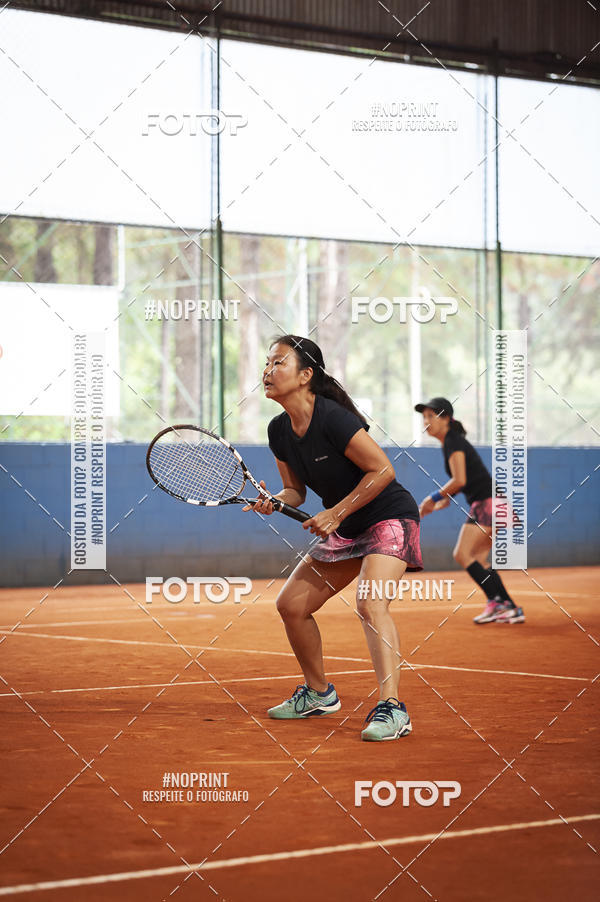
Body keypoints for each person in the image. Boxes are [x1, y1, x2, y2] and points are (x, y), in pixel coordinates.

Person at [244, 334, 422, 741]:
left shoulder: (333, 418)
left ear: (306, 375)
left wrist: (337, 512)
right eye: (267, 363)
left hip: (388, 517)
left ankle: (393, 708)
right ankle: (320, 693)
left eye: (278, 363)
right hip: (347, 527)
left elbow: (382, 471)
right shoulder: (279, 430)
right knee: (291, 605)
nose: (267, 371)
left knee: (371, 603)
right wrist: (274, 500)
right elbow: (296, 493)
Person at [415, 397, 524, 624]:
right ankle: (507, 606)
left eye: (430, 416)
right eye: (423, 417)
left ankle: (499, 604)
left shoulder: (453, 442)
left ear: (445, 418)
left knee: (462, 554)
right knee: (479, 558)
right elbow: (463, 480)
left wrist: (432, 498)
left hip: (488, 502)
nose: (426, 421)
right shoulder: (451, 442)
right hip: (493, 502)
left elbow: (459, 479)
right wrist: (446, 498)